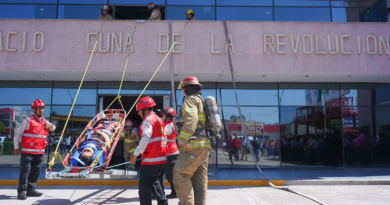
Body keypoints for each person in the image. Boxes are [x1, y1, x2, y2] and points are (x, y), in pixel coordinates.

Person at [173, 76, 211, 205]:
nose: (182, 91)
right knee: (200, 180)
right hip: (204, 146)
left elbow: (191, 121)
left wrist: (183, 141)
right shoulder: (202, 101)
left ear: (186, 88)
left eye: (183, 88)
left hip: (193, 146)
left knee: (180, 174)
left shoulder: (190, 100)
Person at [14, 99, 56, 200]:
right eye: (39, 108)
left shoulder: (45, 122)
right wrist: (16, 147)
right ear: (34, 110)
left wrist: (51, 126)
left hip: (40, 152)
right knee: (25, 171)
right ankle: (21, 191)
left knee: (36, 172)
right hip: (27, 152)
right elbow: (18, 134)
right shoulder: (28, 120)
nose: (41, 110)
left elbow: (53, 128)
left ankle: (31, 190)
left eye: (42, 108)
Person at [130, 96, 168, 205]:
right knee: (154, 182)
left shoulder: (148, 121)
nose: (138, 114)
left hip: (151, 159)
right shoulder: (158, 119)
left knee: (144, 187)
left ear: (145, 110)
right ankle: (163, 203)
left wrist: (135, 154)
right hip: (160, 158)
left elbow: (145, 138)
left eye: (139, 111)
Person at [159, 107, 179, 199]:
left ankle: (175, 192)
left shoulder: (169, 125)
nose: (161, 117)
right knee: (159, 174)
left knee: (170, 175)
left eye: (163, 115)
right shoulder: (165, 124)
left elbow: (163, 134)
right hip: (165, 153)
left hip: (171, 153)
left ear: (168, 116)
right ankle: (160, 193)